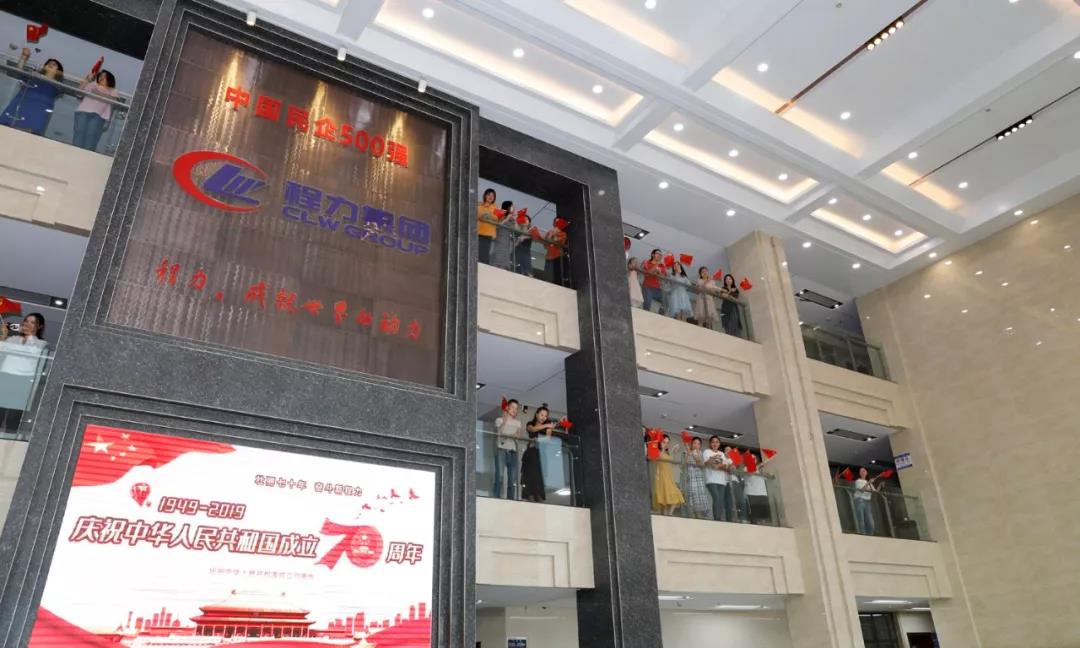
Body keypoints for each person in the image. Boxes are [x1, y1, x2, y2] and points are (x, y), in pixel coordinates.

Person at [0, 313, 48, 434]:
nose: (27, 324)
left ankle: (9, 442)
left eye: (32, 322)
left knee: (14, 416)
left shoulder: (41, 343)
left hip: (23, 381)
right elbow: (1, 348)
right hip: (5, 376)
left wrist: (28, 336)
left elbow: (33, 352)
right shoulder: (13, 339)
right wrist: (3, 335)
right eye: (26, 321)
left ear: (39, 326)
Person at [0, 49, 63, 136]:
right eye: (49, 63)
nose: (51, 64)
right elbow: (16, 72)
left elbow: (61, 92)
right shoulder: (33, 75)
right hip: (21, 103)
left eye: (54, 64)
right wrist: (24, 57)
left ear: (58, 71)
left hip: (38, 110)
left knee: (29, 136)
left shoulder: (58, 85)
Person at [73, 68, 117, 152]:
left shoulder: (112, 90)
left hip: (99, 116)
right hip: (82, 111)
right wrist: (87, 80)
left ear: (110, 79)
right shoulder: (92, 85)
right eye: (100, 76)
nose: (101, 77)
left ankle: (87, 154)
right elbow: (78, 94)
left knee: (92, 135)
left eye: (105, 76)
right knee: (79, 131)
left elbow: (113, 101)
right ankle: (75, 151)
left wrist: (97, 93)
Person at [522, 405, 556, 502]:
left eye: (545, 416)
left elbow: (548, 439)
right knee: (529, 478)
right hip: (530, 454)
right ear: (536, 414)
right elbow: (532, 429)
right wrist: (547, 425)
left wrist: (537, 440)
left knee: (539, 478)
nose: (543, 417)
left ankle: (538, 499)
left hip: (541, 454)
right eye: (542, 415)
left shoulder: (548, 428)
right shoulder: (530, 424)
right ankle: (530, 498)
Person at [492, 399, 523, 500]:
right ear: (507, 407)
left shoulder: (518, 423)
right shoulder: (499, 420)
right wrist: (504, 423)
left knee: (512, 479)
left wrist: (506, 435)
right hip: (501, 450)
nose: (514, 410)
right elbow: (498, 434)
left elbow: (517, 437)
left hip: (513, 451)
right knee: (500, 476)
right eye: (513, 407)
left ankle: (511, 500)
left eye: (516, 408)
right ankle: (495, 498)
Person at [702, 436, 734, 521]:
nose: (715, 443)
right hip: (711, 480)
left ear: (719, 444)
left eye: (717, 442)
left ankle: (718, 519)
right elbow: (707, 464)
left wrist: (717, 464)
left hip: (722, 481)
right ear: (710, 443)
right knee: (717, 498)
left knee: (720, 501)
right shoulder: (707, 451)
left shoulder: (722, 454)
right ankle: (717, 519)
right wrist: (714, 460)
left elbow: (725, 467)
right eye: (713, 442)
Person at [651, 435, 684, 515]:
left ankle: (669, 514)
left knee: (676, 494)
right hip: (661, 476)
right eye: (664, 442)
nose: (666, 444)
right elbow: (657, 458)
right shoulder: (657, 450)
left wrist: (673, 451)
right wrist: (664, 448)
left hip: (668, 475)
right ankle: (666, 515)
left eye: (667, 443)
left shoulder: (667, 452)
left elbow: (670, 461)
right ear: (660, 442)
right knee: (664, 499)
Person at [682, 436, 711, 519]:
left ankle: (699, 516)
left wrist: (695, 455)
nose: (696, 445)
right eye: (694, 443)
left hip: (699, 477)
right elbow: (684, 465)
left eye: (698, 444)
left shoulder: (701, 453)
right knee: (692, 495)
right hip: (690, 476)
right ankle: (692, 516)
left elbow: (701, 465)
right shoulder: (687, 452)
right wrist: (689, 454)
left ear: (700, 446)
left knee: (700, 496)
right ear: (692, 444)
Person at [743, 452, 770, 524]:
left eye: (754, 458)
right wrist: (759, 466)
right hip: (752, 493)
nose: (753, 460)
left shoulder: (759, 470)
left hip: (762, 493)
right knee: (754, 513)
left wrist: (765, 473)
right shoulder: (746, 468)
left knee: (763, 512)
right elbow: (749, 473)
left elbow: (767, 477)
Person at [726, 445, 750, 523]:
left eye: (730, 450)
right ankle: (735, 518)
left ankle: (743, 518)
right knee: (733, 501)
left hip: (737, 481)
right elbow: (730, 469)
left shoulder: (736, 461)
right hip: (729, 481)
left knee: (742, 501)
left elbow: (741, 471)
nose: (729, 452)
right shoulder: (725, 460)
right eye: (727, 450)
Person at [852, 466, 877, 535]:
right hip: (860, 501)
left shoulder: (869, 482)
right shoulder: (858, 481)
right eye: (861, 471)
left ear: (866, 473)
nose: (862, 472)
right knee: (861, 521)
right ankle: (862, 536)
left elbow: (875, 492)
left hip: (867, 502)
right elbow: (862, 490)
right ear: (859, 473)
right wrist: (868, 482)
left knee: (871, 524)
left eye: (864, 471)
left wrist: (880, 485)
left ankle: (869, 536)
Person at [491, 200, 515, 270]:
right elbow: (496, 226)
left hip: (506, 241)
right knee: (497, 257)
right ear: (508, 207)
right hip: (499, 239)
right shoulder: (500, 214)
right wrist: (507, 219)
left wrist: (514, 219)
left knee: (504, 262)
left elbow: (514, 230)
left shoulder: (512, 218)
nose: (513, 208)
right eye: (512, 206)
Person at [477, 188, 498, 264]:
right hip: (477, 233)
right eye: (489, 194)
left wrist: (487, 216)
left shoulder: (495, 208)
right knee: (475, 253)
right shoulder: (479, 206)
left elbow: (496, 219)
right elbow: (477, 215)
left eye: (493, 196)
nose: (491, 197)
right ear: (485, 195)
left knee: (484, 256)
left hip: (488, 235)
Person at [544, 221, 568, 286]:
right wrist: (550, 235)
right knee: (548, 276)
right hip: (549, 257)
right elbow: (545, 245)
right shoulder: (550, 232)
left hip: (557, 257)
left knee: (557, 276)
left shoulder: (563, 234)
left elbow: (558, 241)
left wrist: (554, 235)